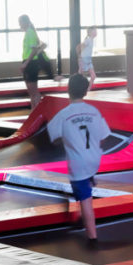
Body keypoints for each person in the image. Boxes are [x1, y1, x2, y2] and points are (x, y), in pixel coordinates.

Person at [47, 74, 112, 246]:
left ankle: (93, 238)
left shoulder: (64, 115)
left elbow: (53, 138)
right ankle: (81, 211)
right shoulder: (94, 111)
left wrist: (66, 139)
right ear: (86, 91)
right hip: (94, 159)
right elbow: (104, 135)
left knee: (85, 199)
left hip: (78, 163)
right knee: (81, 185)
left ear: (68, 90)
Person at [18, 14, 53, 110]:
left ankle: (36, 111)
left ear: (25, 22)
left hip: (31, 63)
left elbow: (34, 50)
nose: (19, 25)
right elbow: (40, 45)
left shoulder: (30, 33)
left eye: (20, 23)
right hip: (28, 62)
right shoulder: (29, 33)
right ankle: (33, 111)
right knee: (31, 92)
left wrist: (26, 63)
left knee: (34, 91)